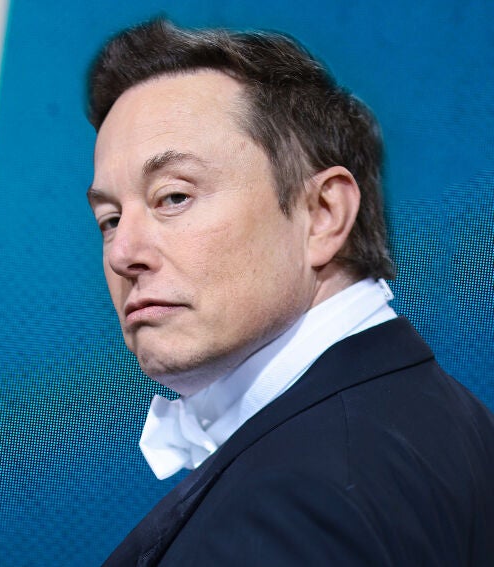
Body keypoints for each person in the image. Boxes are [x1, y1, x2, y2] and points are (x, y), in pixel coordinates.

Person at [85, 17, 494, 566]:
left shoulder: (300, 497)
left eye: (174, 196)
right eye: (110, 219)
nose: (121, 253)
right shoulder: (433, 421)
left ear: (323, 214)